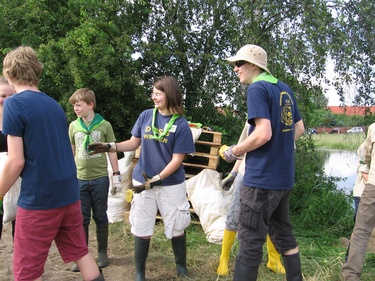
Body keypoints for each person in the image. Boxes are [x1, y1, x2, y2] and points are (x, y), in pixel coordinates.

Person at [0, 46, 104, 281]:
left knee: (26, 271)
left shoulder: (14, 104)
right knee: (82, 254)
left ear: (10, 74)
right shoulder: (54, 106)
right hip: (68, 195)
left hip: (39, 199)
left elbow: (16, 161)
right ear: (37, 72)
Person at [88, 76, 195, 281]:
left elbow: (177, 160)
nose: (153, 96)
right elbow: (133, 142)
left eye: (157, 93)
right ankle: (140, 274)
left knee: (176, 226)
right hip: (142, 182)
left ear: (169, 94)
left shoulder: (181, 125)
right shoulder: (146, 115)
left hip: (170, 185)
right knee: (142, 225)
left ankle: (181, 267)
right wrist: (112, 146)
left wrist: (156, 179)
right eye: (153, 92)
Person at [222, 44, 305, 280]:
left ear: (253, 65)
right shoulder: (283, 88)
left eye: (238, 64)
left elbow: (263, 133)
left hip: (261, 181)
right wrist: (278, 147)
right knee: (283, 233)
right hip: (283, 178)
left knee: (249, 240)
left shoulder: (257, 89)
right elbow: (298, 129)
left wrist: (235, 152)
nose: (235, 69)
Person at [217, 122, 285, 276]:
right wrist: (233, 173)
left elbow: (294, 137)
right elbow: (242, 148)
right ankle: (224, 258)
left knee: (272, 219)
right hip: (248, 174)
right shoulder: (253, 118)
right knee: (235, 215)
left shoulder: (285, 117)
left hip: (273, 176)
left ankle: (273, 259)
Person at [68, 88, 121, 271]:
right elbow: (72, 151)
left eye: (79, 104)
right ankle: (82, 257)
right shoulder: (74, 126)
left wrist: (116, 176)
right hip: (79, 180)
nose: (75, 108)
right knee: (81, 219)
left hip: (99, 179)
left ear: (90, 105)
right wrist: (68, 175)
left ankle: (103, 253)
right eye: (74, 105)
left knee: (100, 216)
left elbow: (112, 151)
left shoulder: (105, 125)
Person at [342, 123, 375, 280]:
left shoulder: (373, 129)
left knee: (361, 231)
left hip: (371, 188)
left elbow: (367, 159)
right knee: (360, 229)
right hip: (363, 191)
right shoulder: (365, 142)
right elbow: (363, 166)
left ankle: (350, 275)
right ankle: (350, 270)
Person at [0, 76, 16, 240]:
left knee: (19, 232)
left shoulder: (20, 120)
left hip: (18, 182)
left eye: (10, 96)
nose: (6, 100)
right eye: (3, 96)